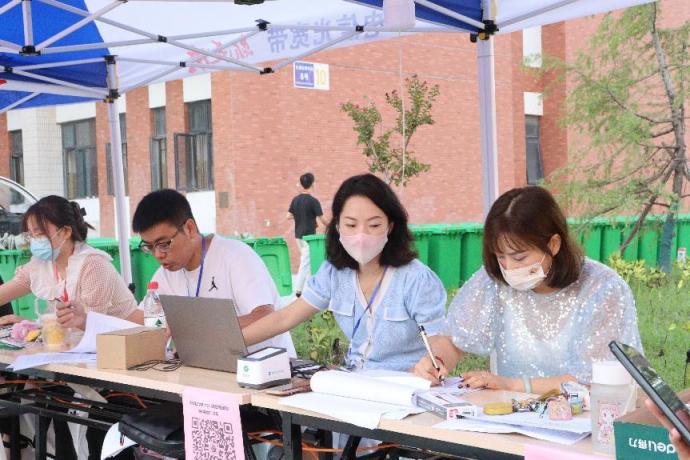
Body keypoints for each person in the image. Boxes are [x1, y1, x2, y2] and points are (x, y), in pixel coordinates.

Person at [414, 186, 642, 393]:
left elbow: (598, 379)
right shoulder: (494, 282)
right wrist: (436, 360)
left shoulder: (602, 288)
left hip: (583, 416)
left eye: (519, 257)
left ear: (553, 244)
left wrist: (513, 385)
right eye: (500, 257)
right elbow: (455, 338)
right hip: (508, 413)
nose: (509, 268)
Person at [244, 173, 447, 372]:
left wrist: (434, 364)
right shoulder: (333, 273)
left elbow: (440, 339)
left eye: (374, 225)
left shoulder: (416, 279)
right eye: (351, 225)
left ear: (390, 226)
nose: (361, 235)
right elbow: (284, 318)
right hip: (354, 382)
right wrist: (236, 342)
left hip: (407, 384)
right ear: (338, 226)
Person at [131, 189, 294, 355]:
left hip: (267, 365)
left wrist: (196, 329)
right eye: (149, 247)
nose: (158, 255)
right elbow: (139, 319)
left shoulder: (236, 257)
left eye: (164, 244)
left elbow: (265, 317)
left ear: (189, 229)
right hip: (209, 366)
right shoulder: (165, 274)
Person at [0, 195, 142, 328]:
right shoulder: (41, 265)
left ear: (65, 232)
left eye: (40, 233)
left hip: (129, 338)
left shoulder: (93, 265)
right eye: (31, 235)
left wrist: (34, 326)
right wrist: (30, 325)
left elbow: (91, 327)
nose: (34, 241)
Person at [287, 172, 327, 297]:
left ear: (301, 184)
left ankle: (311, 288)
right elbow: (323, 219)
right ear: (313, 184)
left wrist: (300, 215)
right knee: (305, 263)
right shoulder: (313, 201)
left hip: (298, 236)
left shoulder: (295, 200)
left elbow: (288, 216)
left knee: (309, 262)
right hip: (309, 237)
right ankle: (298, 290)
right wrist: (333, 226)